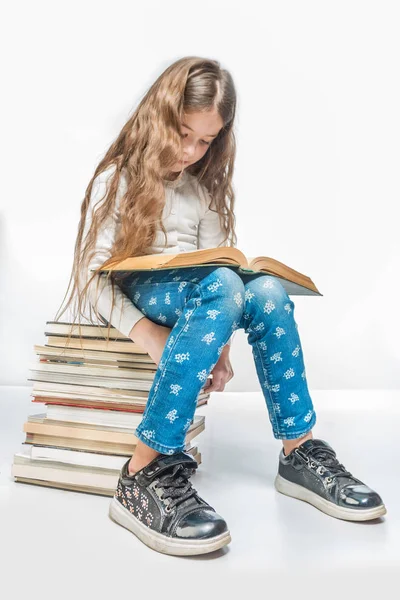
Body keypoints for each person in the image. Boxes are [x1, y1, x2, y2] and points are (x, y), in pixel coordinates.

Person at [56, 56, 386, 557]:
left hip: (206, 294)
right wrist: (146, 333)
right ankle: (142, 469)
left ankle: (300, 451)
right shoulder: (119, 178)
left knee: (268, 291)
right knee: (222, 281)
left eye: (206, 141)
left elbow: (221, 272)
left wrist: (221, 348)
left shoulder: (202, 189)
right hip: (149, 293)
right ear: (158, 118)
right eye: (182, 134)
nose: (190, 152)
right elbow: (91, 276)